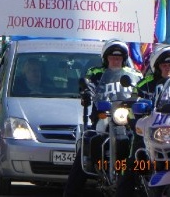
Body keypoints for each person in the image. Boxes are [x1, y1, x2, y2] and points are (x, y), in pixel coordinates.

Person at [63, 39, 143, 197]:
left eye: (119, 57)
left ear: (124, 58)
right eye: (112, 57)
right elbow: (89, 83)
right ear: (106, 58)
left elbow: (142, 89)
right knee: (87, 145)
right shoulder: (96, 72)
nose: (115, 60)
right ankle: (71, 192)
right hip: (103, 117)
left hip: (126, 117)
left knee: (141, 143)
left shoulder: (134, 74)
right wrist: (87, 90)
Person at [115, 45, 170, 196]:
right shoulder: (144, 84)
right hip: (149, 134)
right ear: (157, 67)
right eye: (164, 65)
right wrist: (136, 122)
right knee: (132, 164)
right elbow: (131, 109)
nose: (168, 68)